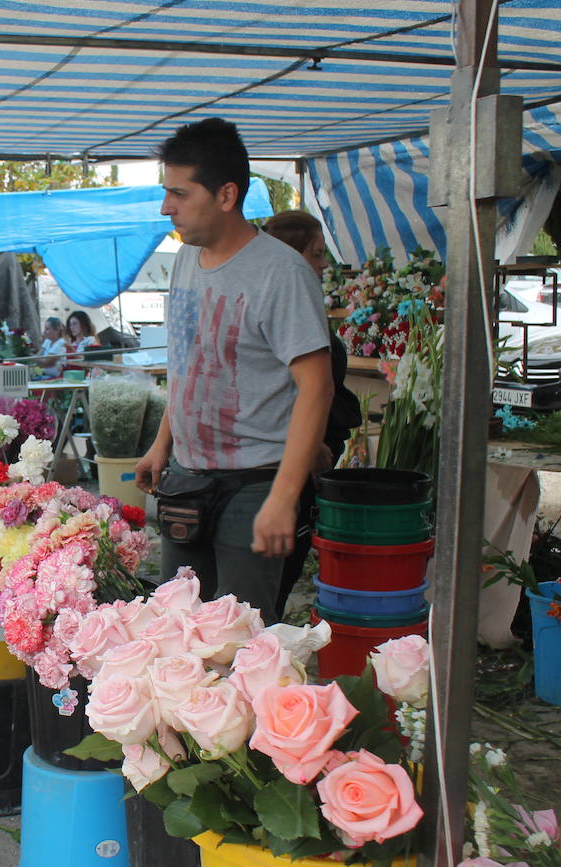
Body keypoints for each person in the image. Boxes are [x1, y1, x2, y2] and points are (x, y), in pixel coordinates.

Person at [135, 118, 333, 623]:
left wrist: (284, 499)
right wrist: (164, 442)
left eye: (179, 193)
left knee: (239, 646)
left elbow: (318, 388)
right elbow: (187, 362)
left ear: (226, 195)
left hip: (253, 488)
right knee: (177, 632)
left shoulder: (282, 273)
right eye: (166, 192)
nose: (166, 207)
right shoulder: (186, 257)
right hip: (187, 480)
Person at [263, 209, 364, 616]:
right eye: (317, 253)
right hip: (285, 471)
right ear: (292, 255)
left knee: (278, 579)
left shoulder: (297, 306)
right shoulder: (281, 311)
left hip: (296, 468)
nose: (324, 264)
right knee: (271, 580)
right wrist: (310, 444)